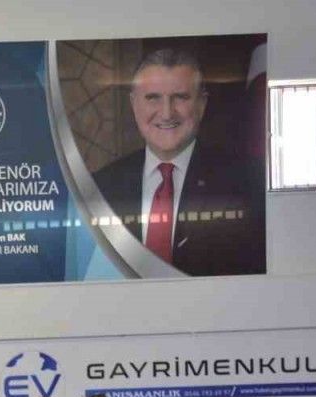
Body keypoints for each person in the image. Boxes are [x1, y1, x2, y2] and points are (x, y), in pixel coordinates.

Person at [91, 48, 265, 276]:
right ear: (134, 104)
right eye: (153, 98)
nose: (166, 113)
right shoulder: (100, 187)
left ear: (201, 104)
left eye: (180, 97)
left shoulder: (248, 182)